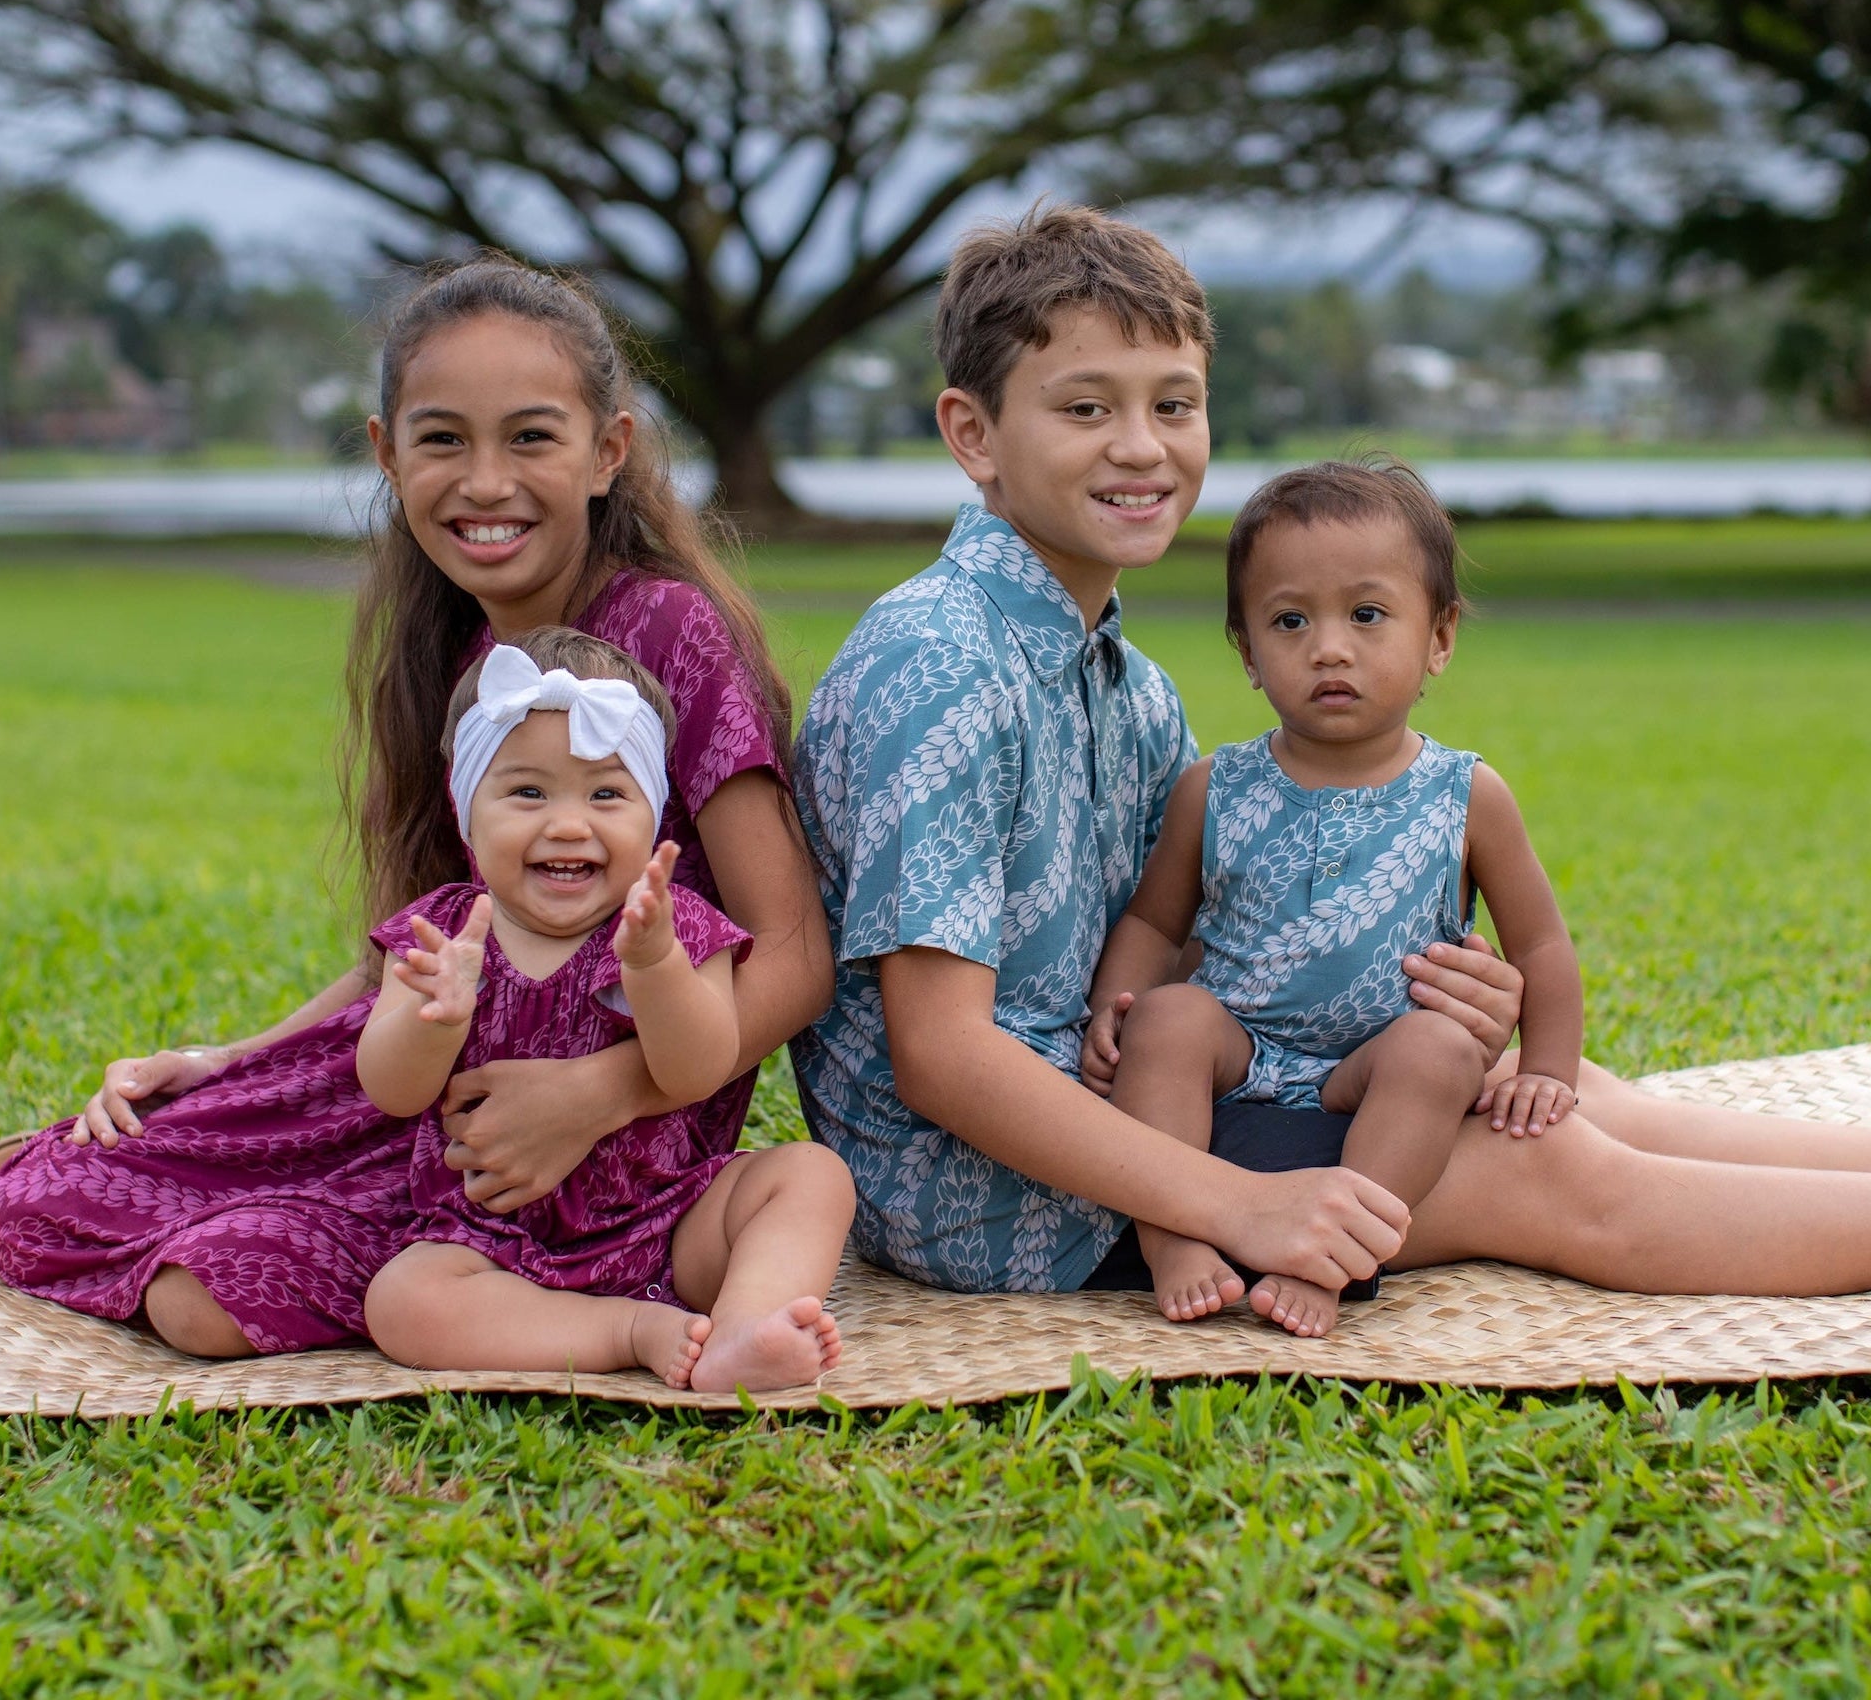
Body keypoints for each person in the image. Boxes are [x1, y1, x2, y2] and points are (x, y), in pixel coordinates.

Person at [792, 201, 1871, 1315]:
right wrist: (1230, 1201)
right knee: (1541, 1168)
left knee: (1538, 1091)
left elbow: (1195, 945)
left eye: (1173, 404)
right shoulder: (938, 662)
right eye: (1083, 407)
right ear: (971, 433)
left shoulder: (1129, 685)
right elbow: (939, 1056)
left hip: (1136, 1095)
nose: (1140, 445)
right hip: (988, 1189)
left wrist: (1407, 975)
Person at [0, 254, 833, 1358]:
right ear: (386, 454)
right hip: (446, 1093)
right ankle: (401, 1264)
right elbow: (431, 942)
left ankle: (555, 1301)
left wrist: (594, 1094)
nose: (484, 480)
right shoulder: (462, 652)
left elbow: (800, 952)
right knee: (39, 1184)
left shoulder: (669, 632)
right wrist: (230, 1057)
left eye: (530, 436)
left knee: (183, 1282)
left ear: (606, 452)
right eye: (442, 439)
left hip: (625, 1117)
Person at [1081, 458, 1582, 1337]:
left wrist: (1546, 1070)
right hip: (1242, 1047)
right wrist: (1109, 1010)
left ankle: (1339, 1258)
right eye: (1289, 620)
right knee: (1169, 1021)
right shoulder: (1216, 787)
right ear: (1246, 651)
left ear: (1440, 638)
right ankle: (1175, 1238)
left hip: (1377, 1063)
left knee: (1437, 1048)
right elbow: (1157, 924)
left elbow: (1539, 945)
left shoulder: (1468, 795)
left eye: (1367, 614)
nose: (1329, 647)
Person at [360, 632, 851, 1390]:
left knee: (812, 1177)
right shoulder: (442, 935)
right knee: (401, 1302)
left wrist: (655, 966)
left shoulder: (677, 925)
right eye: (528, 792)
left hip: (669, 1218)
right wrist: (437, 1021)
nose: (567, 824)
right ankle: (624, 1331)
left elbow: (697, 1069)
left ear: (651, 815)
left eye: (606, 794)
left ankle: (746, 1324)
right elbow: (389, 1089)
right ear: (468, 812)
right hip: (488, 1239)